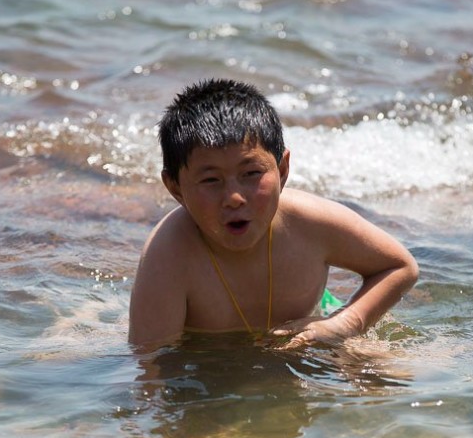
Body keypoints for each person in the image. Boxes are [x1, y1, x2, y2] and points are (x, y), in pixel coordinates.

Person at [128, 78, 418, 349]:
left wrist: (346, 322)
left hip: (315, 321)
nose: (234, 198)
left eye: (252, 173)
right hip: (209, 349)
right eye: (210, 180)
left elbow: (400, 266)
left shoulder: (309, 222)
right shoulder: (168, 254)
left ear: (282, 170)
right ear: (175, 188)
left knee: (385, 375)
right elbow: (150, 364)